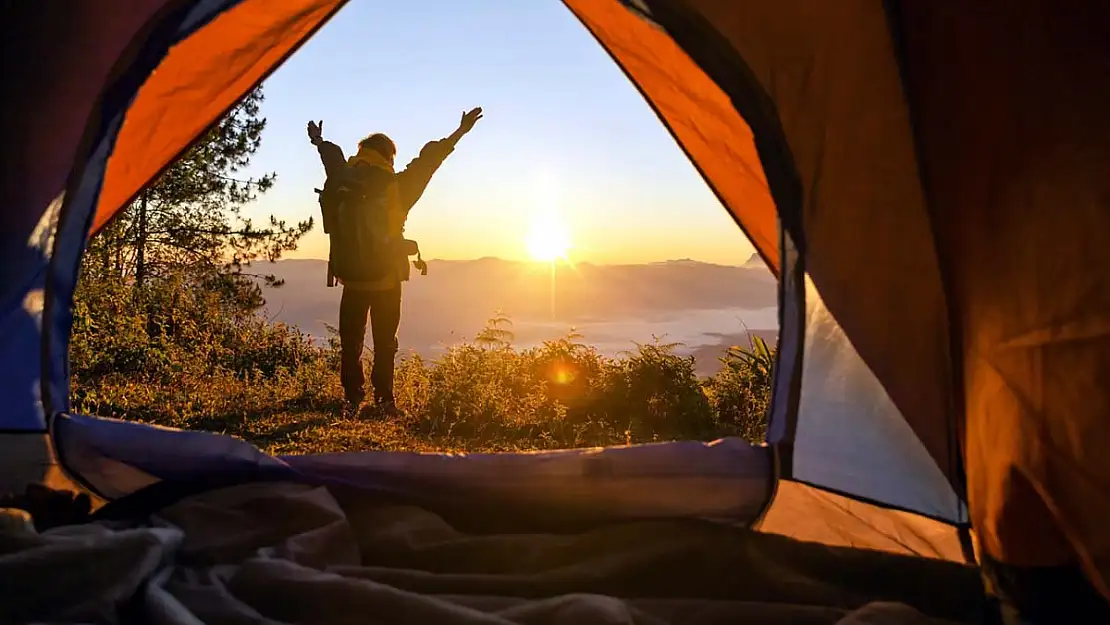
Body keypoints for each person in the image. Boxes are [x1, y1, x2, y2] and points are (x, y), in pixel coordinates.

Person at [307, 107, 483, 416]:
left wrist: (318, 139)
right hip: (387, 277)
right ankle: (384, 401)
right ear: (389, 156)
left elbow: (331, 155)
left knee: (351, 342)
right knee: (385, 341)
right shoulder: (399, 186)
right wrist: (460, 132)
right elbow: (430, 160)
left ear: (362, 153)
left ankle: (351, 399)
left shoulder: (342, 177)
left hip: (350, 276)